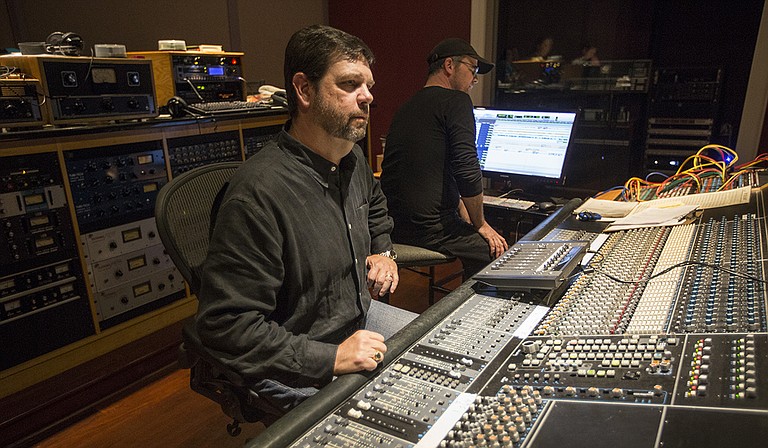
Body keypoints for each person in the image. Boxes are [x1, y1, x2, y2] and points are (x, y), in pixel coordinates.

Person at [195, 24, 417, 416]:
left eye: (368, 85)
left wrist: (385, 252)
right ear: (304, 90)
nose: (367, 96)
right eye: (349, 84)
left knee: (448, 358)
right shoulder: (257, 193)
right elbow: (226, 325)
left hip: (358, 320)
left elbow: (376, 206)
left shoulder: (352, 159)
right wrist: (330, 358)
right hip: (294, 358)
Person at [380, 38, 509, 278]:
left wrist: (461, 207)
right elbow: (466, 168)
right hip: (429, 229)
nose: (475, 79)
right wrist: (480, 224)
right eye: (472, 69)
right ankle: (468, 314)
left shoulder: (406, 107)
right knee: (496, 251)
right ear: (450, 65)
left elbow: (431, 169)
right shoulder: (457, 101)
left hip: (393, 226)